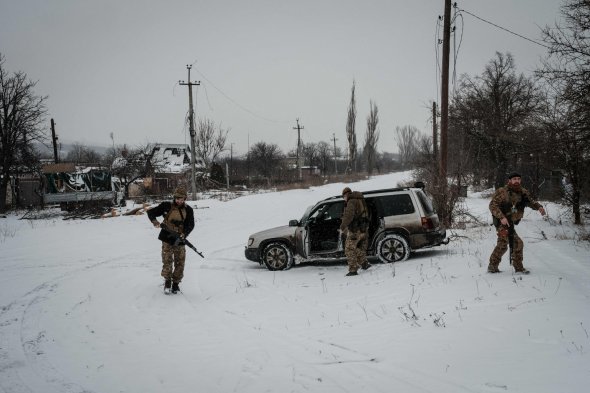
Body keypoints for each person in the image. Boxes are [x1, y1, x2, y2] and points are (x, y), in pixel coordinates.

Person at [488, 172, 546, 274]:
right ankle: (518, 268)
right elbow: (492, 205)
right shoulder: (502, 192)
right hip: (503, 223)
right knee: (518, 243)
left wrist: (539, 207)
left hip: (511, 223)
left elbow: (531, 202)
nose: (516, 181)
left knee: (502, 245)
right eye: (514, 179)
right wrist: (501, 217)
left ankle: (492, 266)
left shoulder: (523, 192)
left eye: (518, 179)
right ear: (509, 180)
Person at [147, 186, 195, 293]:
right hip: (166, 236)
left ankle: (176, 284)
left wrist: (184, 233)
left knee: (180, 262)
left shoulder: (188, 210)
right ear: (174, 198)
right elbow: (151, 212)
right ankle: (167, 281)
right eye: (177, 199)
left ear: (185, 199)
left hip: (180, 238)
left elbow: (191, 224)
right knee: (167, 260)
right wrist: (154, 221)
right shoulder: (166, 206)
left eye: (182, 199)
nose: (179, 201)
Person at [339, 187, 371, 276]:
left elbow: (349, 216)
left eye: (343, 197)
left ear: (346, 195)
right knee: (356, 248)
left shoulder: (351, 201)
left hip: (355, 229)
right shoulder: (360, 199)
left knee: (349, 249)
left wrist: (342, 227)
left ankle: (353, 270)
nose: (344, 199)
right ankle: (364, 264)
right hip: (363, 228)